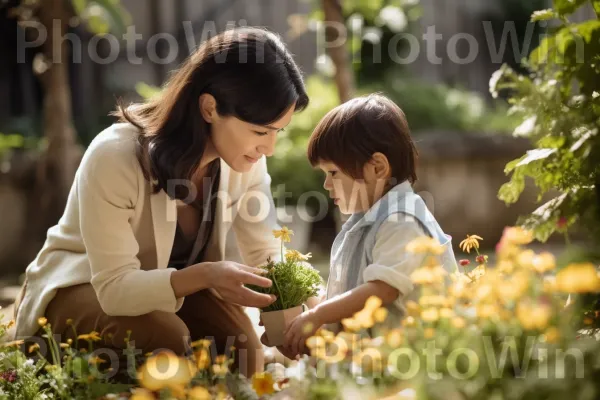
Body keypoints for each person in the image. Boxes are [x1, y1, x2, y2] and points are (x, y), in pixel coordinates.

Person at [13, 27, 309, 377]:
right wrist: (207, 274)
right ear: (210, 107)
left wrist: (304, 309)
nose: (269, 148)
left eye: (278, 131)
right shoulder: (116, 156)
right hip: (86, 285)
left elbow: (266, 251)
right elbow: (115, 290)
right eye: (261, 131)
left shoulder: (244, 161)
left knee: (244, 356)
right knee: (167, 338)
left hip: (174, 293)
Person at [281, 94, 457, 356]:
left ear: (377, 167)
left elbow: (382, 289)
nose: (327, 185)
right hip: (373, 360)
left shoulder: (403, 221)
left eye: (332, 173)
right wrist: (309, 323)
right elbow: (349, 295)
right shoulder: (365, 222)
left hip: (413, 363)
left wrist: (318, 315)